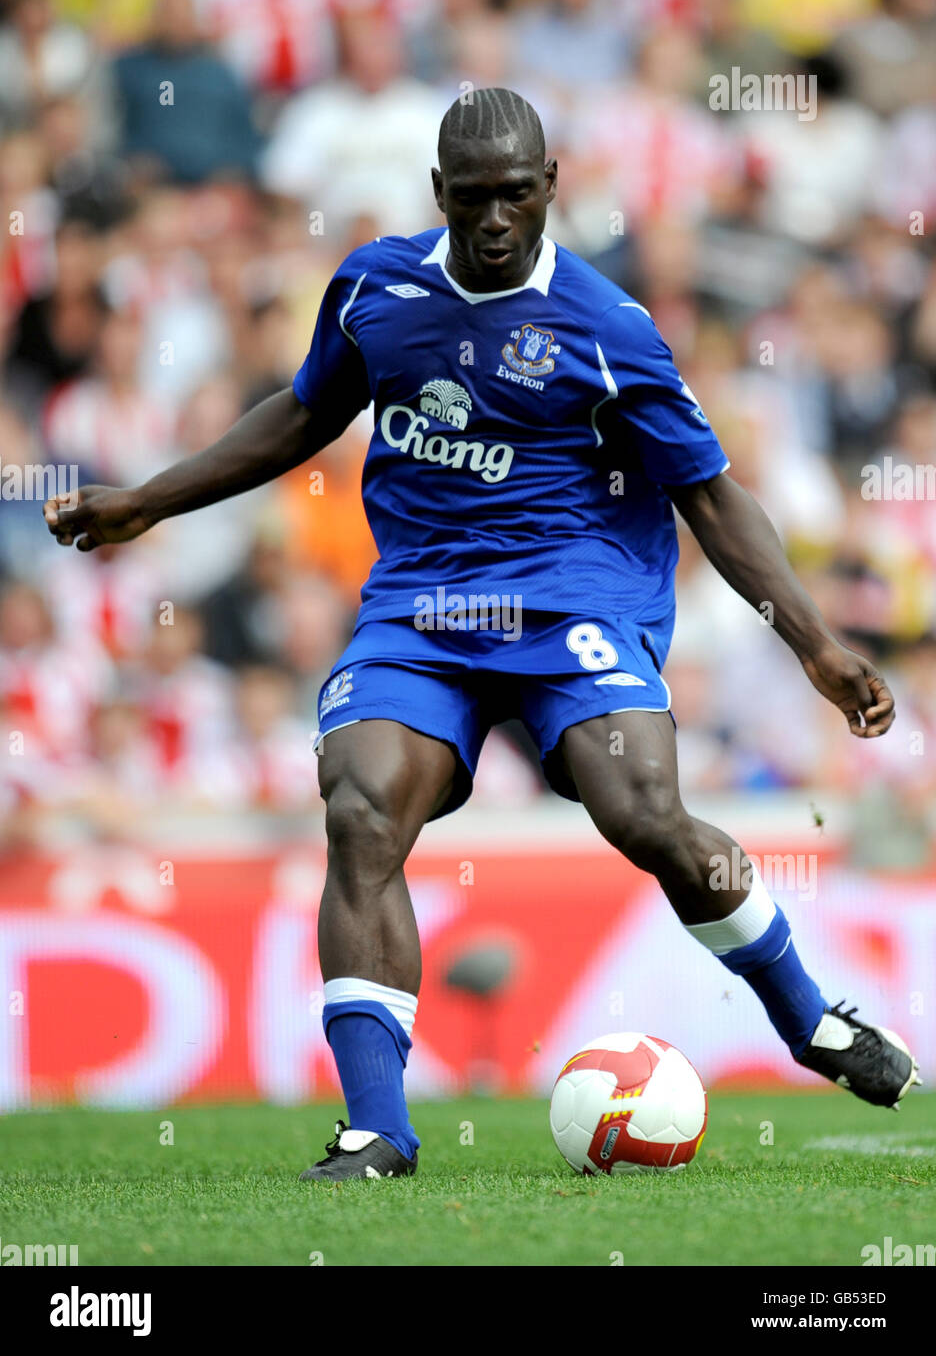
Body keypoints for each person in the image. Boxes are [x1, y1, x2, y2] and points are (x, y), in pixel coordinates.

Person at [44, 88, 919, 1182]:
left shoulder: (608, 330)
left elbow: (712, 494)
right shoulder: (375, 287)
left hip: (575, 603)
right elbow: (306, 410)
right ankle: (380, 1130)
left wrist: (817, 645)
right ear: (437, 196)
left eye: (515, 195)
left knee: (645, 813)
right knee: (360, 808)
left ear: (552, 187)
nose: (495, 219)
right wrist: (151, 502)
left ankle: (807, 1020)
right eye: (472, 200)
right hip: (422, 606)